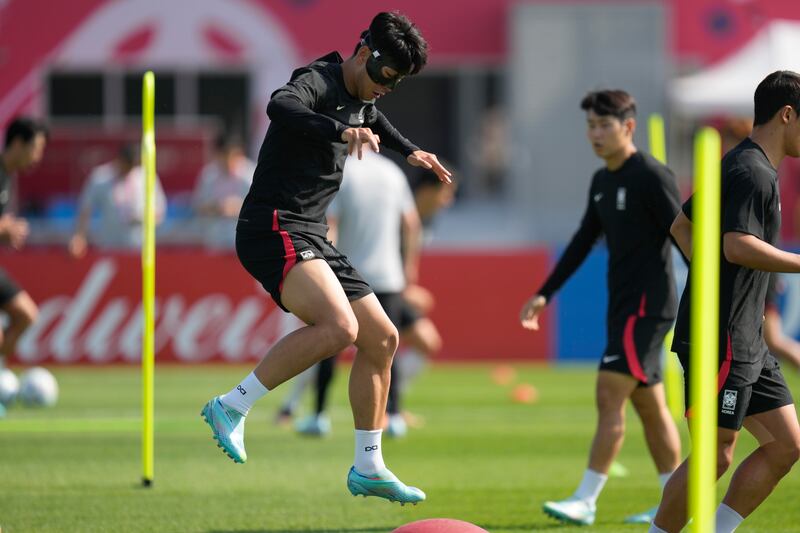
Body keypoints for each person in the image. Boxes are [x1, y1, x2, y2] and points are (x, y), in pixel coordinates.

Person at [200, 11, 451, 504]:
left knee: (383, 338)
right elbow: (280, 106)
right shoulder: (316, 81)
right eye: (385, 76)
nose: (387, 88)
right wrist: (339, 132)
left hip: (312, 233)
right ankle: (232, 406)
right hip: (272, 226)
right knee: (341, 329)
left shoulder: (361, 99)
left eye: (397, 83)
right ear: (364, 54)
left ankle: (368, 465)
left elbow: (372, 118)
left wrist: (411, 152)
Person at [519, 90, 683, 526]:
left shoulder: (650, 174)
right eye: (590, 125)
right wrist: (545, 292)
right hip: (624, 304)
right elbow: (582, 239)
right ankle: (676, 501)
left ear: (628, 127)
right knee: (650, 407)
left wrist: (714, 288)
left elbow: (685, 233)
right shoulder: (602, 180)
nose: (594, 134)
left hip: (647, 306)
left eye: (603, 125)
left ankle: (586, 499)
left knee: (609, 393)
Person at [651, 70, 800, 533]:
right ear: (788, 115)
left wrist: (717, 280)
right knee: (713, 457)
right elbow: (737, 245)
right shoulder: (752, 171)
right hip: (724, 339)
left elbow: (681, 226)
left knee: (786, 445)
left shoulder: (742, 165)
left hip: (745, 335)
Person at [293, 145, 422, 437]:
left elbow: (331, 226)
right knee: (387, 346)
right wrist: (409, 266)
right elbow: (411, 224)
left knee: (331, 343)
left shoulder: (341, 172)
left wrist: (321, 268)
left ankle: (319, 415)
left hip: (349, 273)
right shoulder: (393, 172)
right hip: (389, 274)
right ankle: (394, 415)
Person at [0, 117, 47, 378]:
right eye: (36, 148)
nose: (37, 157)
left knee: (25, 315)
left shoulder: (6, 177)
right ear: (18, 143)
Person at [68, 144, 166, 257]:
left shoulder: (146, 177)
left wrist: (141, 218)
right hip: (109, 248)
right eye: (126, 165)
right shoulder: (101, 177)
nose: (129, 170)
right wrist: (80, 236)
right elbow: (85, 208)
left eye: (133, 166)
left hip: (138, 250)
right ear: (119, 160)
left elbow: (160, 212)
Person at [192, 134, 255, 250]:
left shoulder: (251, 175)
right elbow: (197, 206)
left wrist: (238, 207)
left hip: (244, 241)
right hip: (214, 241)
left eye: (233, 157)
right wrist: (218, 207)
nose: (229, 162)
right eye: (225, 157)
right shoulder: (208, 175)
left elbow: (261, 207)